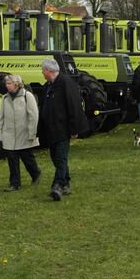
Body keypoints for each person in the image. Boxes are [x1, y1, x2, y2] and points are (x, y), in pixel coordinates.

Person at [40, 59, 88, 201]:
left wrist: (74, 129)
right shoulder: (49, 85)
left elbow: (74, 106)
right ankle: (66, 182)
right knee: (55, 157)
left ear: (48, 71)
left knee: (61, 158)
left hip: (63, 128)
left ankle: (57, 186)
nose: (42, 73)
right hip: (51, 128)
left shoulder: (65, 83)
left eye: (43, 70)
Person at [0, 74, 40, 191]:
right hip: (9, 135)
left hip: (24, 134)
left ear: (16, 84)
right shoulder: (4, 98)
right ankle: (14, 184)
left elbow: (33, 116)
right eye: (6, 83)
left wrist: (32, 133)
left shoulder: (27, 96)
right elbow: (1, 117)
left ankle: (35, 174)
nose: (7, 85)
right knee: (12, 160)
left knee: (27, 158)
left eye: (9, 83)